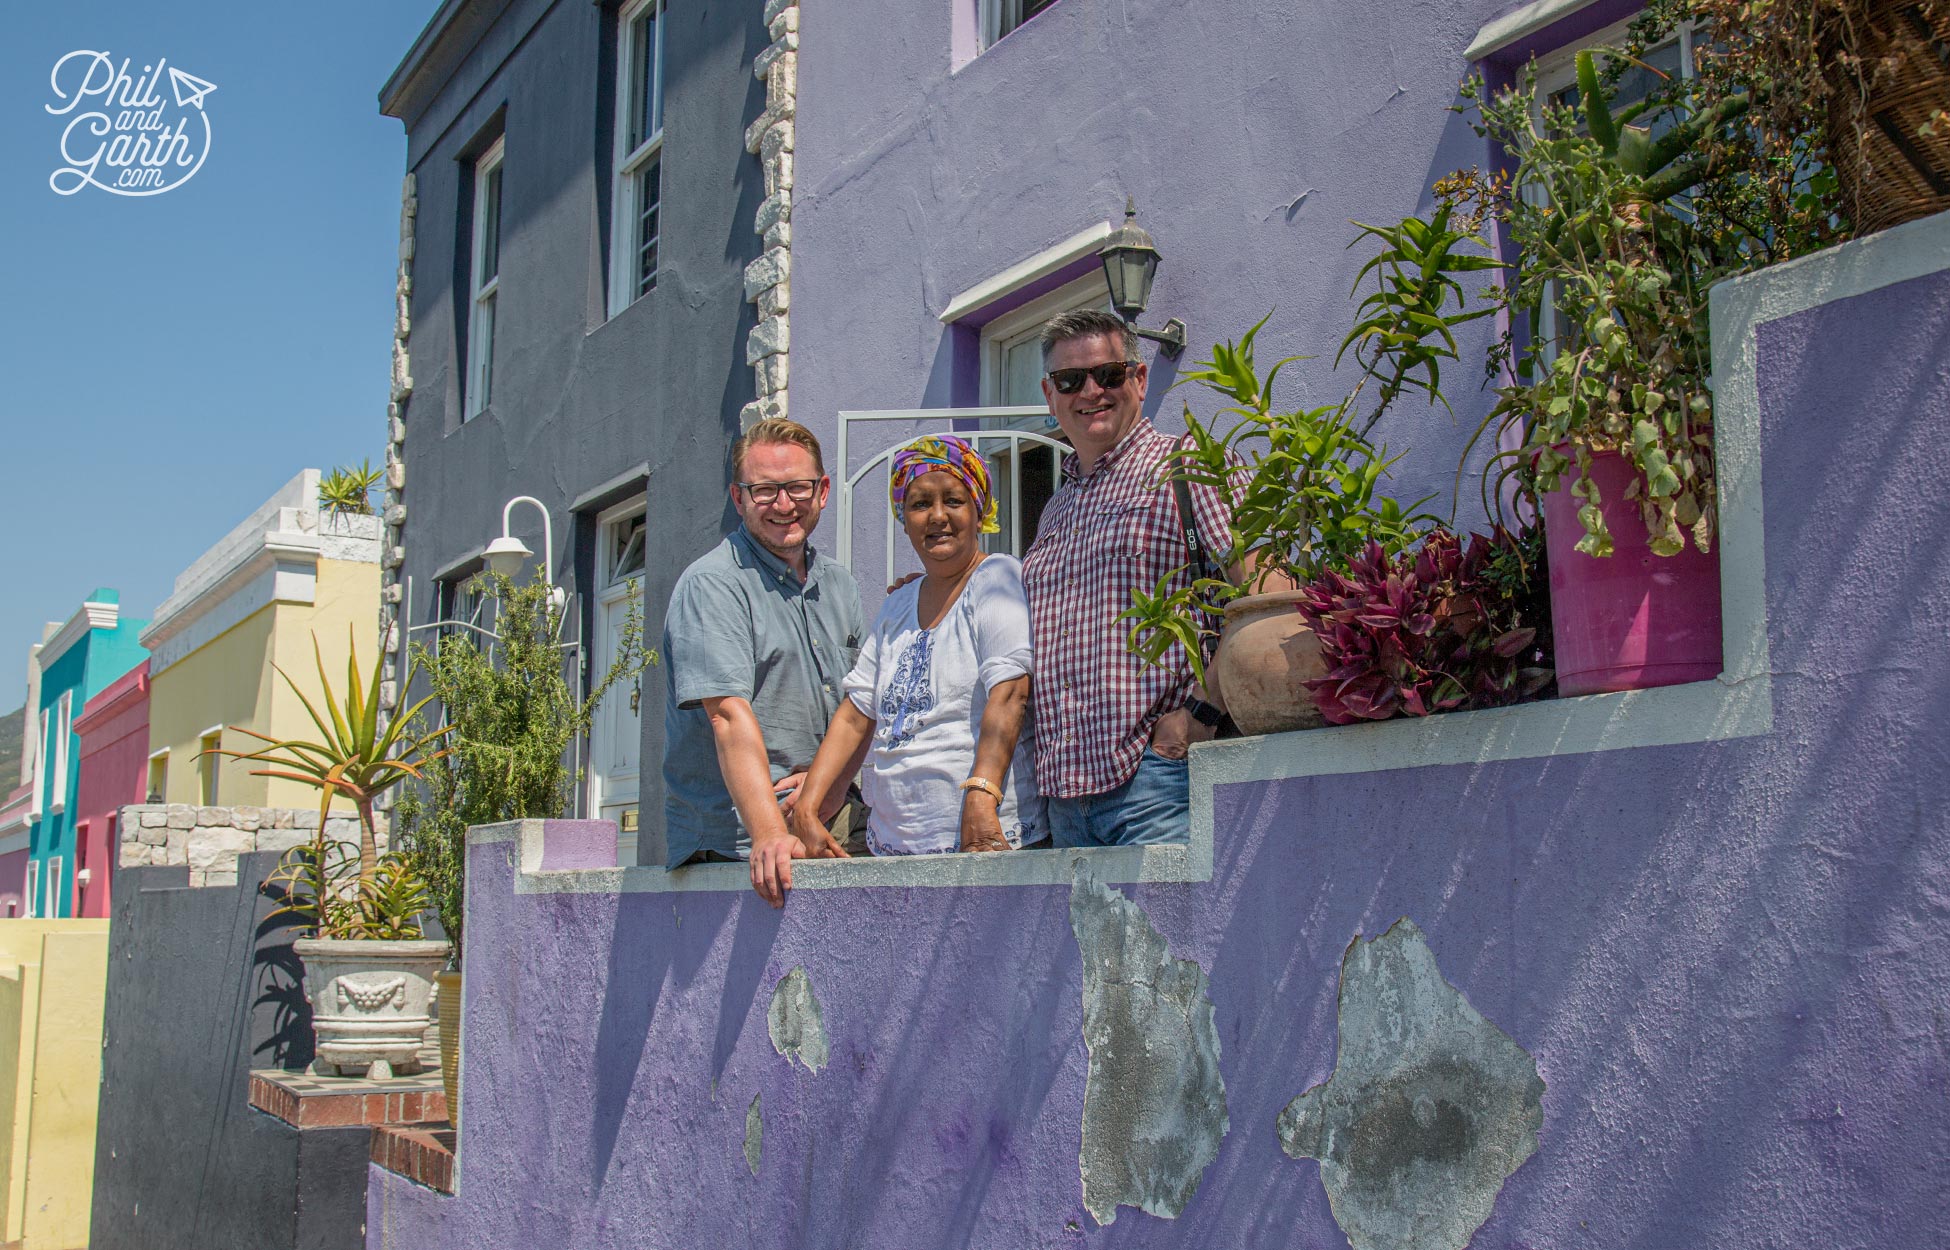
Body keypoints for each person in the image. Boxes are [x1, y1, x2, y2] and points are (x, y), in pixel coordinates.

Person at [761, 436, 1041, 906]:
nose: (937, 516)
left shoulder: (995, 579)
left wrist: (982, 794)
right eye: (919, 504)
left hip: (984, 834)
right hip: (893, 846)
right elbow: (855, 714)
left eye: (953, 500)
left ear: (979, 510)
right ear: (904, 520)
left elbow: (1010, 693)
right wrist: (808, 808)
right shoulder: (896, 606)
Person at [1022, 308, 1251, 848]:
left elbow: (1262, 595)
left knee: (1178, 936)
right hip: (1062, 800)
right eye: (1070, 380)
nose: (1091, 391)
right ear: (1050, 395)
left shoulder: (1190, 466)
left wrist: (1197, 715)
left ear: (1139, 379)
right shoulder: (1055, 510)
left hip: (1157, 782)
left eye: (1109, 374)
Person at [660, 418, 867, 871]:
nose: (784, 504)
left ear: (822, 491)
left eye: (797, 488)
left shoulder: (840, 587)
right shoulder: (713, 585)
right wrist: (771, 833)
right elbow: (729, 717)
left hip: (832, 819)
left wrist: (821, 793)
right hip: (739, 840)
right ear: (739, 498)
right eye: (765, 491)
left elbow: (860, 709)